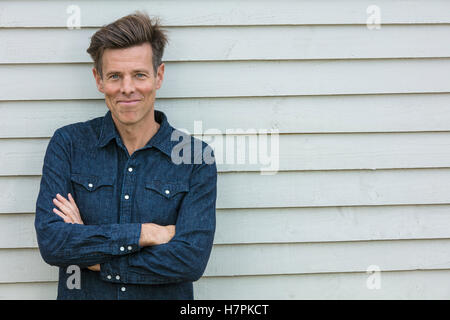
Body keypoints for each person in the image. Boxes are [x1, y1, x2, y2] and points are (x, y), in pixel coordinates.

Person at [34, 11, 217, 300]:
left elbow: (190, 261)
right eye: (115, 76)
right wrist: (145, 234)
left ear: (159, 76)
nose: (127, 88)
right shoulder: (68, 144)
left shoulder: (195, 158)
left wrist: (91, 254)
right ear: (98, 79)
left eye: (139, 74)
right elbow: (53, 243)